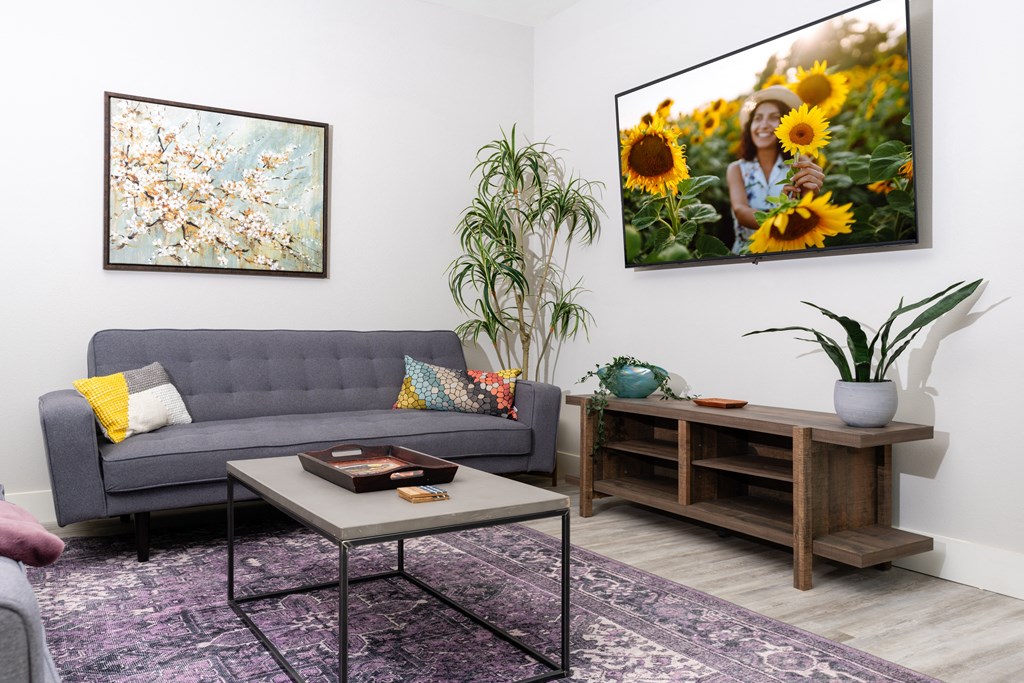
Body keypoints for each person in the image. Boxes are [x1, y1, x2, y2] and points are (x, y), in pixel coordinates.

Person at [727, 85, 825, 253]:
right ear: (750, 126)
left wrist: (811, 195)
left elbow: (806, 210)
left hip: (788, 251)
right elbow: (740, 211)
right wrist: (781, 216)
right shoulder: (736, 169)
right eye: (758, 118)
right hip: (746, 255)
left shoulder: (799, 162)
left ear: (787, 124)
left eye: (774, 117)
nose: (764, 125)